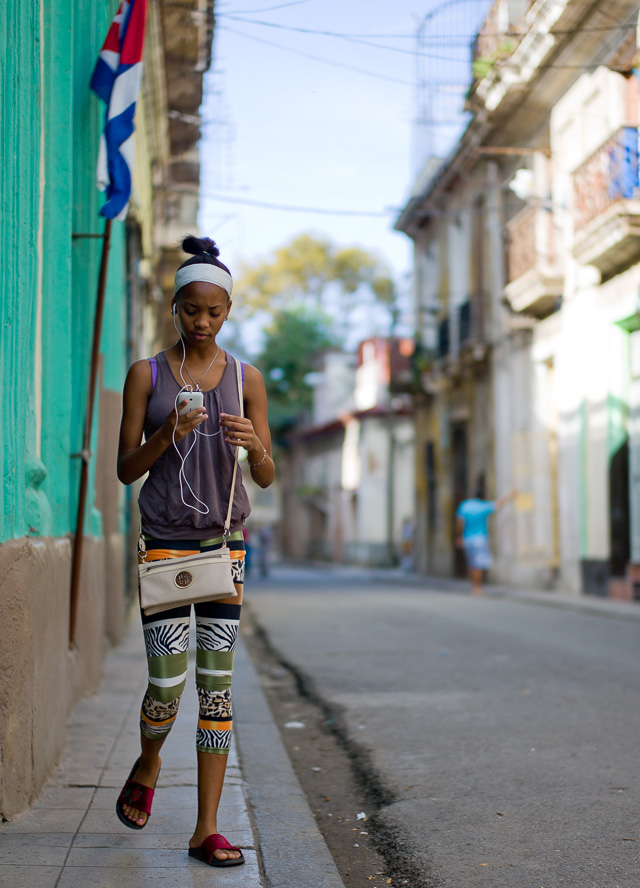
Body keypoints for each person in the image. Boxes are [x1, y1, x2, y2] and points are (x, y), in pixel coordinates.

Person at [115, 235, 275, 867]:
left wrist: (253, 445)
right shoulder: (146, 375)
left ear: (228, 311)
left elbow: (265, 474)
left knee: (216, 692)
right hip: (164, 551)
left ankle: (206, 826)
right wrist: (167, 432)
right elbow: (127, 469)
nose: (201, 322)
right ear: (174, 309)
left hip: (226, 551)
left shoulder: (246, 379)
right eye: (190, 311)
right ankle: (150, 760)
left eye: (213, 312)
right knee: (166, 688)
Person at [455, 481, 516, 596]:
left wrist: (459, 537)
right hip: (480, 539)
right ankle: (478, 587)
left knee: (471, 564)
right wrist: (511, 495)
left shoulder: (464, 506)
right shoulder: (482, 506)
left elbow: (459, 522)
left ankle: (473, 586)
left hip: (467, 539)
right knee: (478, 564)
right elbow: (498, 504)